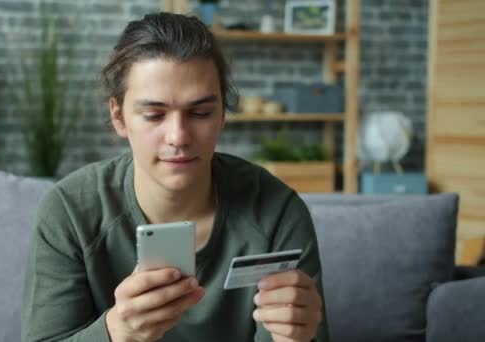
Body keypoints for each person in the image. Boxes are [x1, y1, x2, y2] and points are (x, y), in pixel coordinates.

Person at [21, 12, 328, 342]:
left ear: (223, 113)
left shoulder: (277, 212)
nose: (178, 136)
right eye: (154, 115)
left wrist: (297, 337)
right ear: (119, 116)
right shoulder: (69, 211)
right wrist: (115, 332)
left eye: (200, 113)